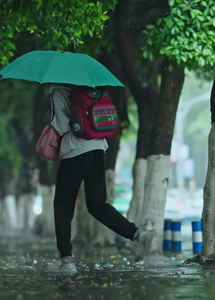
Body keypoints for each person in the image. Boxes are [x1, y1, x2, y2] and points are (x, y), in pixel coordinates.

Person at [47, 83, 155, 275]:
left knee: (63, 206)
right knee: (97, 204)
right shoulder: (92, 88)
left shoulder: (58, 90)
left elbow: (62, 125)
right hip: (98, 150)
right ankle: (137, 234)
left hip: (75, 151)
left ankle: (66, 261)